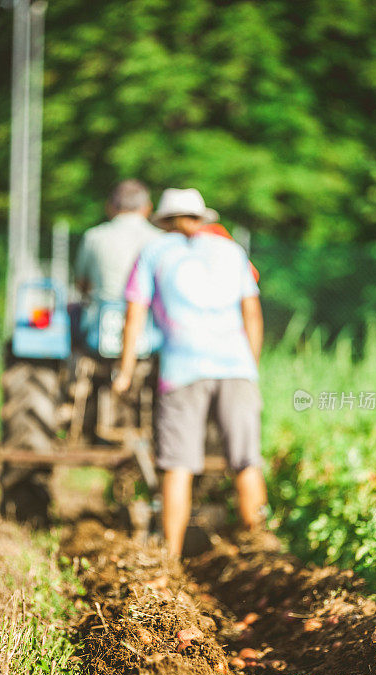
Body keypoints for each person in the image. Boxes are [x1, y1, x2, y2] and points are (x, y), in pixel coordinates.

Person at [113, 188, 268, 559]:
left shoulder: (153, 252)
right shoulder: (232, 251)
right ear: (202, 218)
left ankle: (170, 556)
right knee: (246, 461)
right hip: (237, 368)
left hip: (182, 370)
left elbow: (135, 314)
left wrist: (125, 370)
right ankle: (261, 550)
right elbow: (252, 313)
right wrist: (251, 366)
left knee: (178, 466)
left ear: (163, 221)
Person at [75, 179, 161, 303]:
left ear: (111, 206)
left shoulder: (94, 236)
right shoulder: (159, 238)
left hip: (102, 314)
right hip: (146, 314)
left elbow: (81, 283)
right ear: (147, 207)